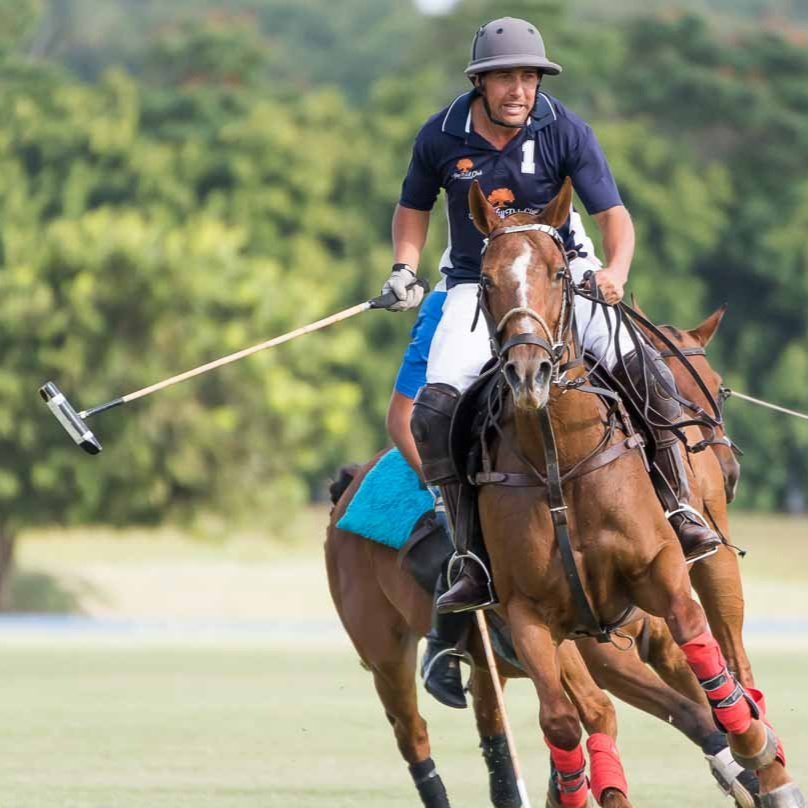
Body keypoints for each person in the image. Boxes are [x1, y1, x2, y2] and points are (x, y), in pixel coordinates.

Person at [382, 16, 720, 708]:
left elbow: (613, 215)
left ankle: (680, 506)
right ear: (481, 81)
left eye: (530, 76)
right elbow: (412, 208)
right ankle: (473, 554)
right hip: (480, 285)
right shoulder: (442, 134)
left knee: (645, 372)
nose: (520, 89)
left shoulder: (565, 129)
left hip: (568, 278)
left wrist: (616, 270)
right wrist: (403, 268)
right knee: (436, 410)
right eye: (507, 76)